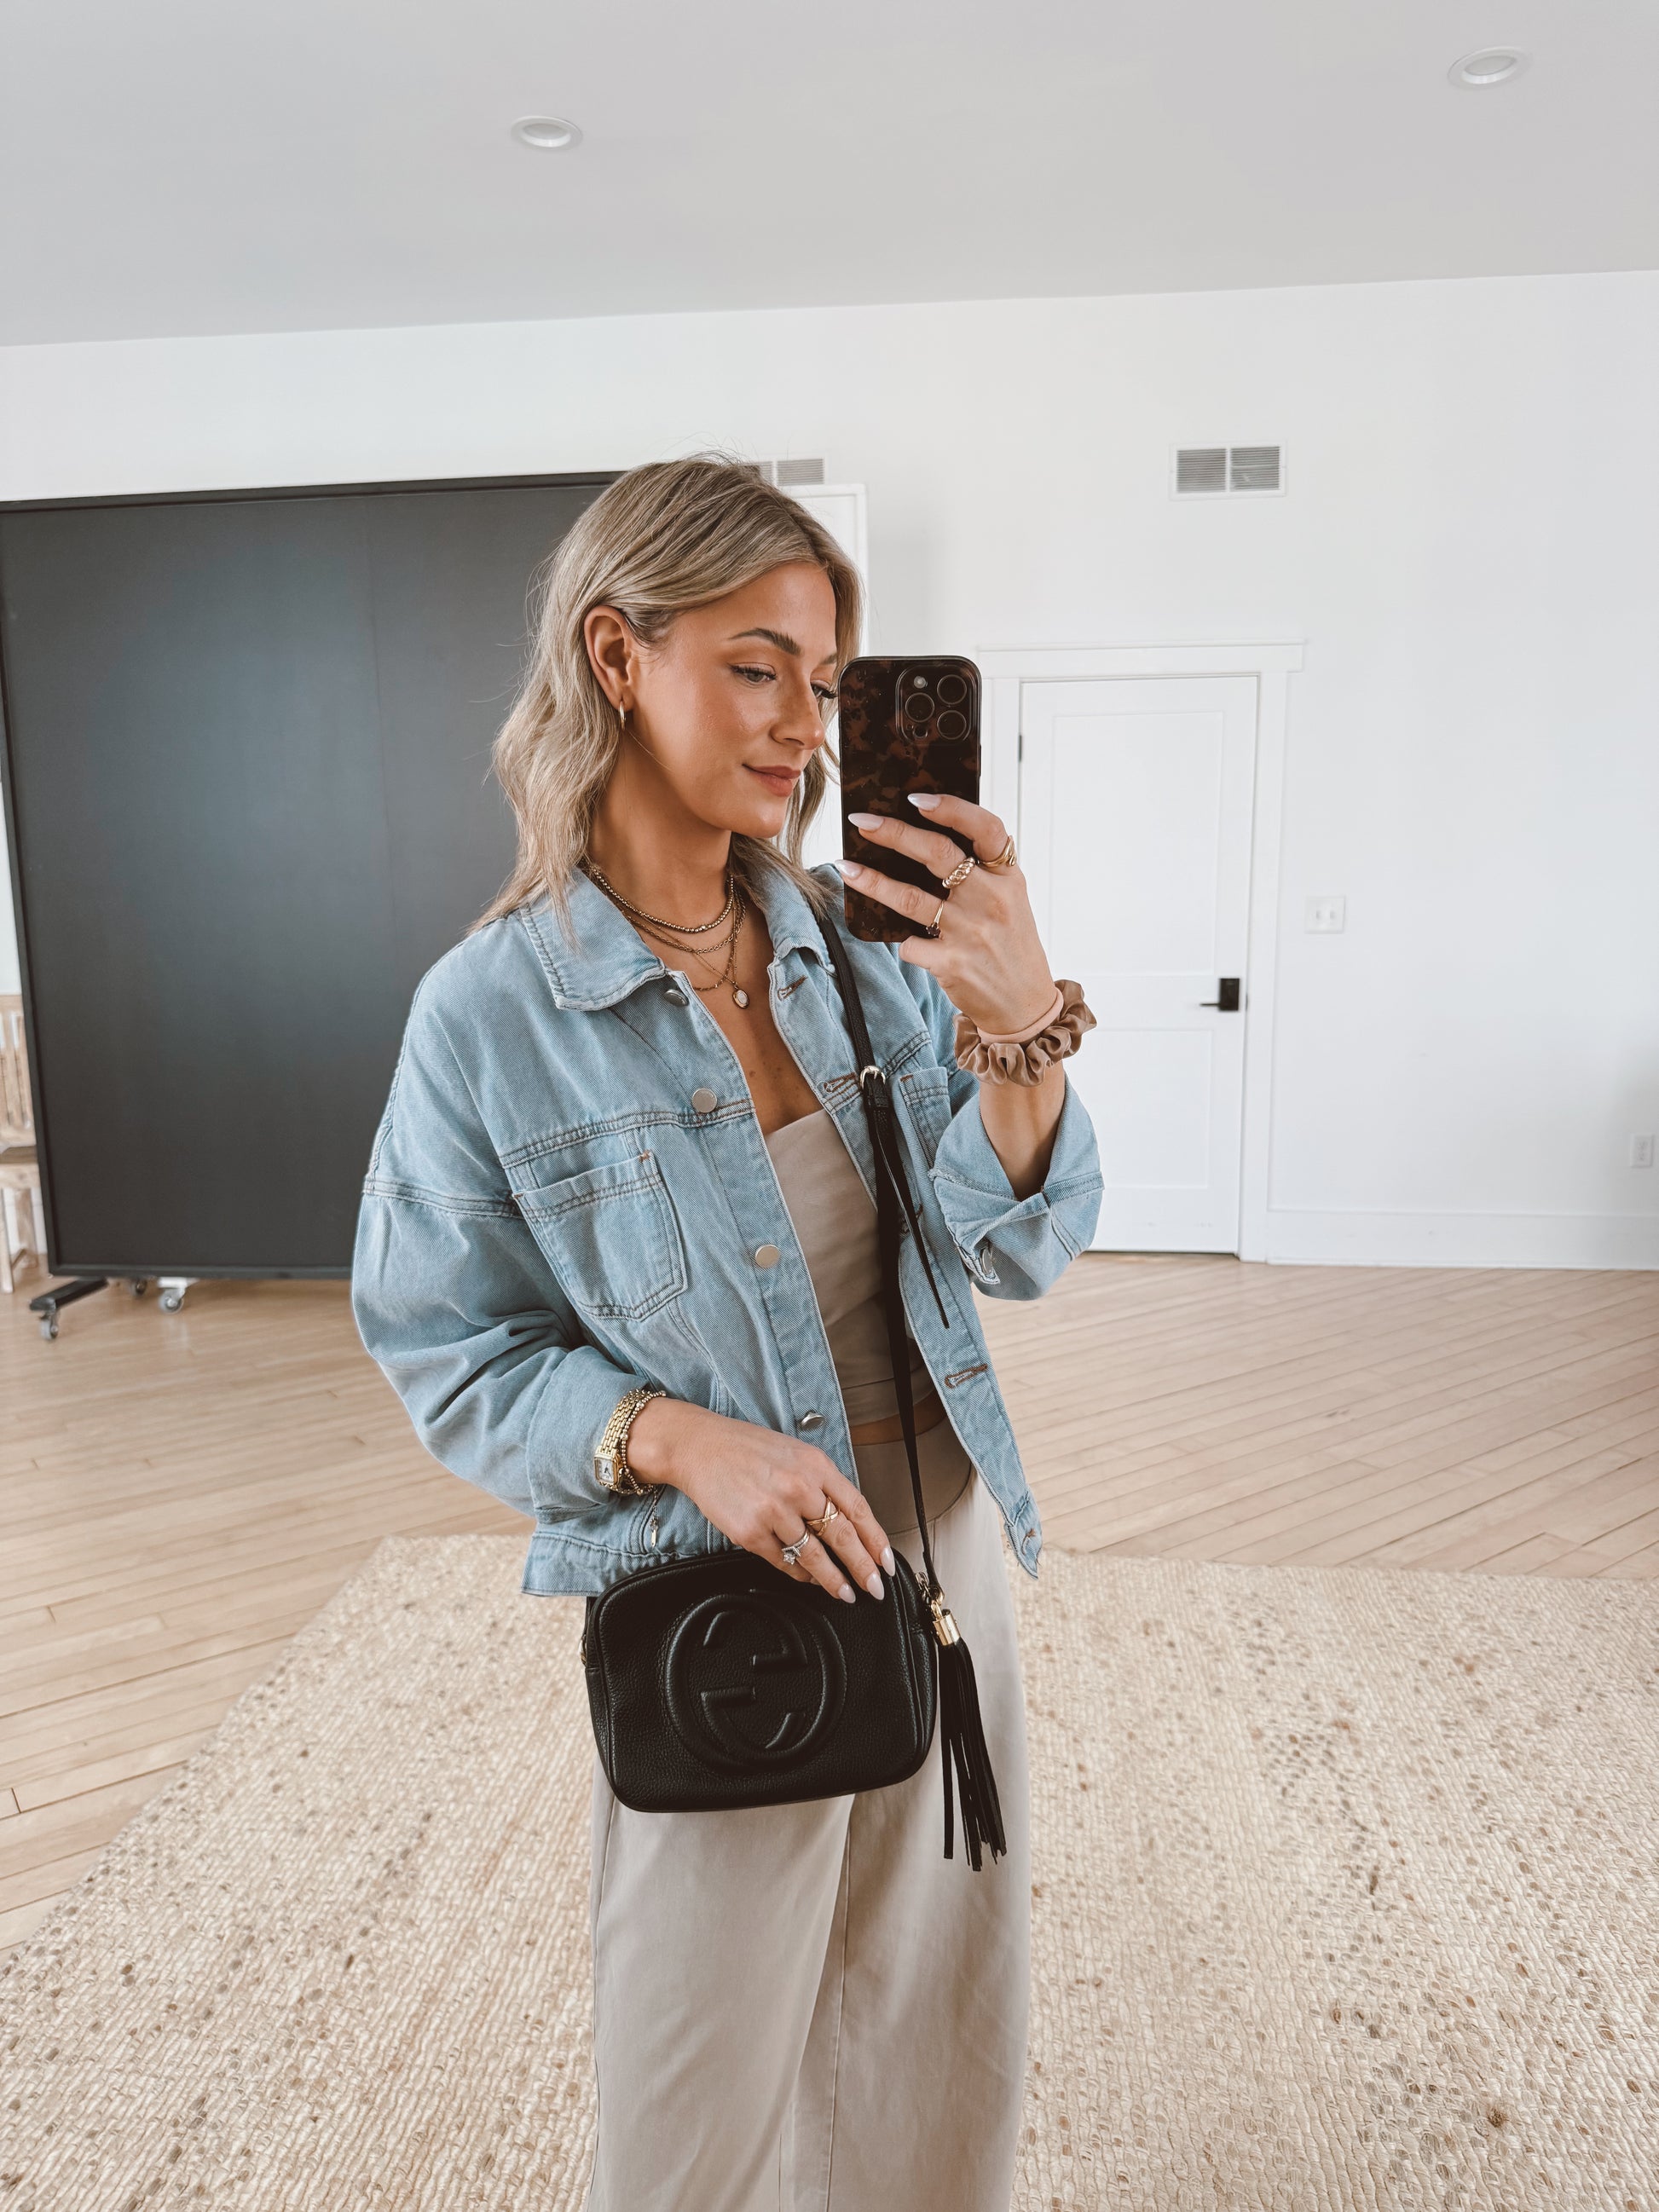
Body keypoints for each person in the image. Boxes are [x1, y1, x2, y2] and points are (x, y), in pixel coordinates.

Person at [350, 456, 1103, 2212]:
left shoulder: (863, 952)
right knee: (694, 2102)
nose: (801, 728)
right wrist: (682, 1439)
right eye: (756, 668)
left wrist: (1019, 1029)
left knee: (929, 2057)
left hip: (939, 1570)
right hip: (723, 1602)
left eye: (821, 683)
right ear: (618, 655)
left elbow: (1019, 1244)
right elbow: (446, 1348)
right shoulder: (489, 1016)